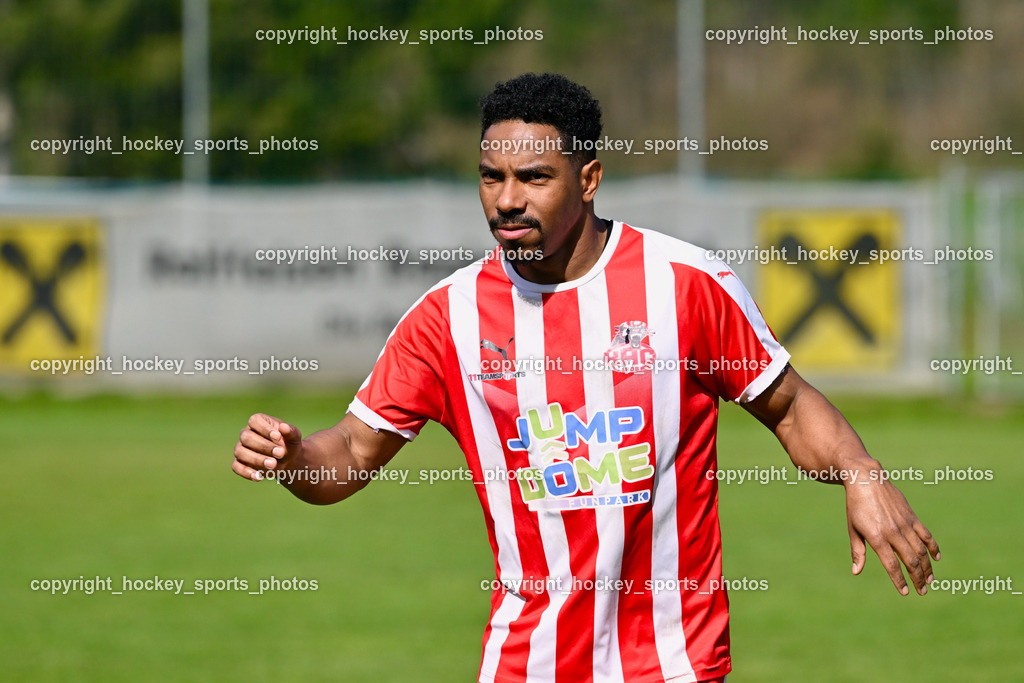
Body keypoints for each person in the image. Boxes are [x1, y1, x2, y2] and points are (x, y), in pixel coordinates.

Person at [232, 72, 939, 683]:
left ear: (590, 178)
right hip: (526, 661)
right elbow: (353, 451)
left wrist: (859, 469)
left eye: (534, 177)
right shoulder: (447, 318)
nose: (507, 199)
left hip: (675, 660)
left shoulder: (684, 285)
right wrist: (295, 458)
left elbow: (787, 406)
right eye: (491, 176)